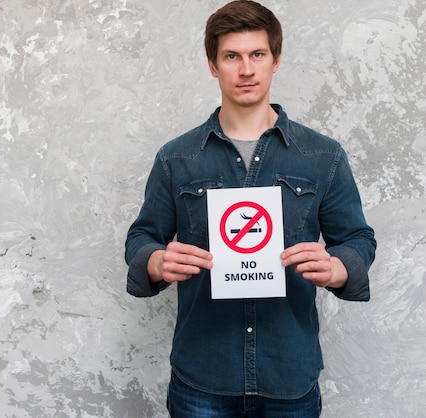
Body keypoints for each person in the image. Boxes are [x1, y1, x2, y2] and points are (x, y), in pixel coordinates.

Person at [124, 1, 377, 417]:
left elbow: (357, 238)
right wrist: (154, 261)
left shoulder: (322, 156)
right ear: (212, 65)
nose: (246, 69)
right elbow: (142, 237)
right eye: (232, 57)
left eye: (257, 54)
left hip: (289, 377)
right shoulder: (176, 158)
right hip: (202, 377)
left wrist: (339, 267)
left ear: (276, 60)